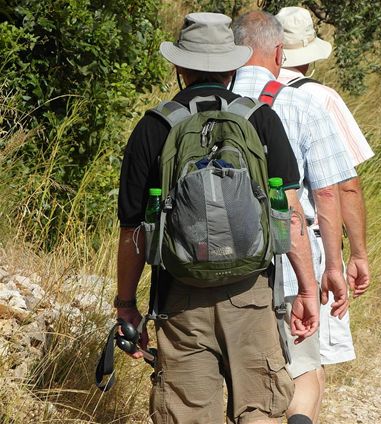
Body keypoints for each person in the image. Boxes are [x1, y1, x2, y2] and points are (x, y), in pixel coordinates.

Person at [115, 12, 320, 424]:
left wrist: (126, 303)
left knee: (188, 415)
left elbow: (133, 231)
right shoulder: (260, 118)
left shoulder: (154, 126)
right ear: (232, 66)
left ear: (179, 67)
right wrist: (307, 290)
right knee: (259, 410)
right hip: (252, 292)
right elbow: (290, 214)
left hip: (180, 297)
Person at [231, 11, 357, 424]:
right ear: (279, 52)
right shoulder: (305, 103)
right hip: (290, 263)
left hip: (222, 267)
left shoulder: (210, 102)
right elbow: (327, 192)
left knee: (244, 386)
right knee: (304, 371)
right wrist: (334, 266)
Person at [275, 6, 375, 422]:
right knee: (306, 367)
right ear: (310, 54)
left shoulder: (237, 91)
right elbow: (343, 185)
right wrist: (357, 254)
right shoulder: (320, 98)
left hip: (240, 247)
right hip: (304, 246)